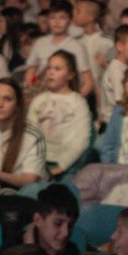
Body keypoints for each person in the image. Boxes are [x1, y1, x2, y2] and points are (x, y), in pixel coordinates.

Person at [29, 50, 92, 178]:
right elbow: (29, 135)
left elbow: (81, 140)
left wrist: (61, 166)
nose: (51, 72)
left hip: (66, 166)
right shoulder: (38, 100)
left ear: (70, 75)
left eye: (57, 69)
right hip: (38, 163)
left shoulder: (78, 102)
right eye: (49, 68)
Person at [0, 78, 47, 189]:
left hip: (18, 193)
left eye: (7, 99)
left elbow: (29, 180)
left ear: (17, 104)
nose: (0, 104)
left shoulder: (33, 135)